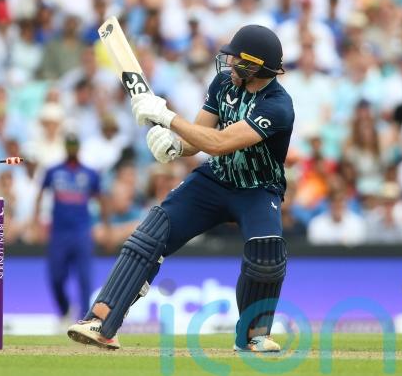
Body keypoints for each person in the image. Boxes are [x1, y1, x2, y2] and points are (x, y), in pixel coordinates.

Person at [68, 25, 294, 353]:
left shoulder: (278, 106)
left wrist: (167, 117)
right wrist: (174, 145)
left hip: (258, 188)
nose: (229, 65)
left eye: (236, 60)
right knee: (152, 232)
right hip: (216, 179)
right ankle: (101, 321)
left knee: (267, 253)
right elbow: (198, 138)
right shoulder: (223, 84)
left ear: (254, 66)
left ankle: (252, 336)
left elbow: (219, 142)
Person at [34, 134, 102, 323]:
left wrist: (106, 226)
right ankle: (64, 309)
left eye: (74, 145)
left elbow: (102, 199)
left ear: (78, 147)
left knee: (84, 279)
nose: (72, 149)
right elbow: (40, 195)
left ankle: (84, 319)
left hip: (81, 232)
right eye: (69, 145)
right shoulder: (53, 171)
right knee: (55, 277)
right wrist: (36, 222)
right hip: (59, 232)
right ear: (65, 147)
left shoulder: (90, 173)